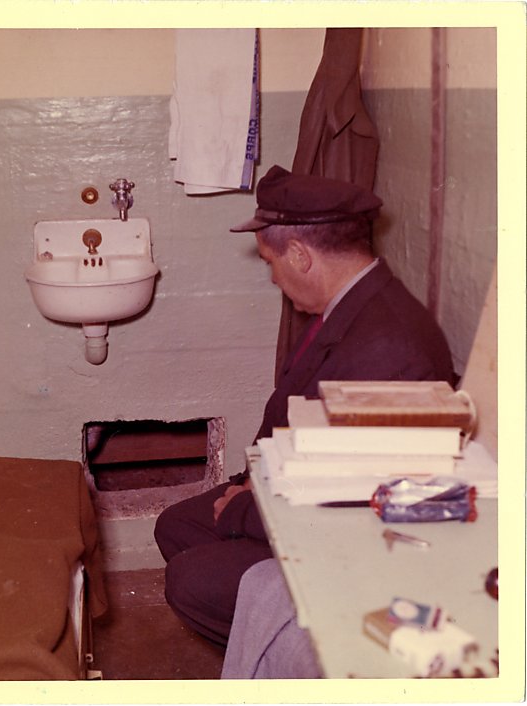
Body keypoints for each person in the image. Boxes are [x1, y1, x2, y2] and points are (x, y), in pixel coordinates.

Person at [154, 165, 455, 646]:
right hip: (307, 492)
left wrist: (243, 510)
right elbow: (294, 413)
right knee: (176, 526)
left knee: (192, 579)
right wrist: (249, 484)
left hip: (364, 549)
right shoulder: (352, 307)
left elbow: (354, 506)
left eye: (270, 261)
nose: (273, 277)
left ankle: (301, 664)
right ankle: (267, 646)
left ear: (299, 254)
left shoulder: (386, 348)